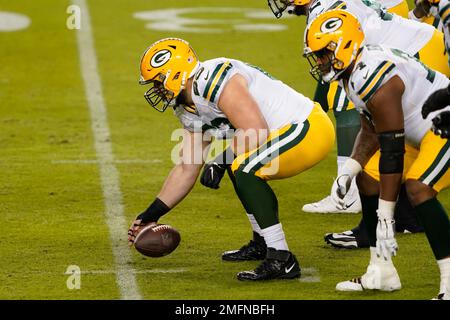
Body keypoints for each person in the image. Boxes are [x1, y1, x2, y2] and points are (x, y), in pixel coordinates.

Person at [127, 38, 335, 281]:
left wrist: (220, 159)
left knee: (243, 167)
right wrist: (151, 214)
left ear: (176, 75)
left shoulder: (214, 80)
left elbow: (255, 130)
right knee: (237, 163)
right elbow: (187, 167)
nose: (156, 89)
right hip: (282, 133)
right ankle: (263, 242)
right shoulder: (186, 106)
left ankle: (282, 258)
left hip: (308, 127)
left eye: (158, 81)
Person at [268, 0, 450, 249]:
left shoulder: (325, 17)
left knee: (391, 150)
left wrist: (315, 108)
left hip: (415, 55)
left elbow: (339, 77)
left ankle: (379, 224)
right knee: (395, 152)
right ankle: (400, 218)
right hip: (421, 45)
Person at [304, 9, 450, 299]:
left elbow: (392, 151)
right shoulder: (355, 70)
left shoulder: (374, 75)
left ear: (344, 46)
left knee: (418, 188)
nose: (320, 62)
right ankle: (381, 271)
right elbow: (371, 130)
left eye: (323, 53)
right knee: (367, 178)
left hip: (442, 124)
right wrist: (351, 168)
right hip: (416, 130)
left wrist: (386, 215)